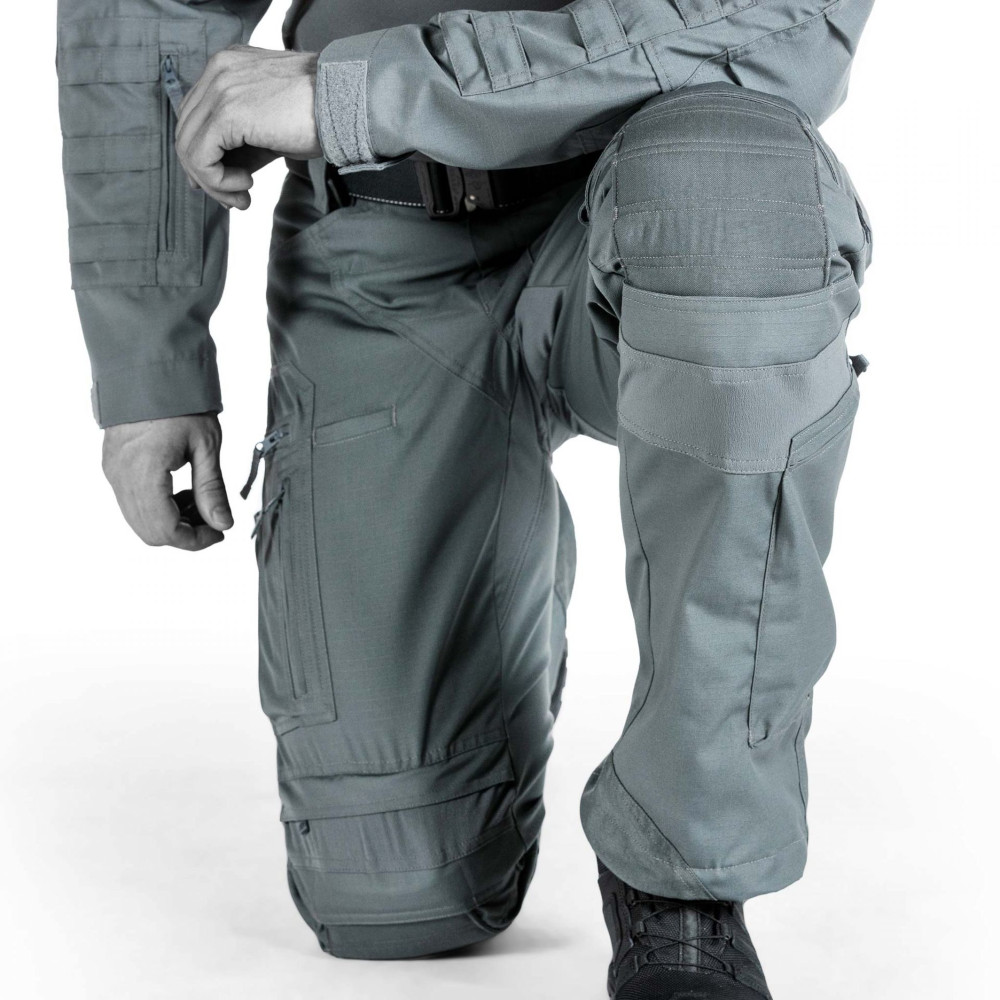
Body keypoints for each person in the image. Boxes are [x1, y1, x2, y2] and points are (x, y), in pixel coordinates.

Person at [56, 0, 875, 995]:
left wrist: (372, 92)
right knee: (400, 896)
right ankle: (494, 560)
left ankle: (682, 864)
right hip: (385, 233)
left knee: (732, 187)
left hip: (659, 207)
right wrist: (148, 359)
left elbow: (784, 17)